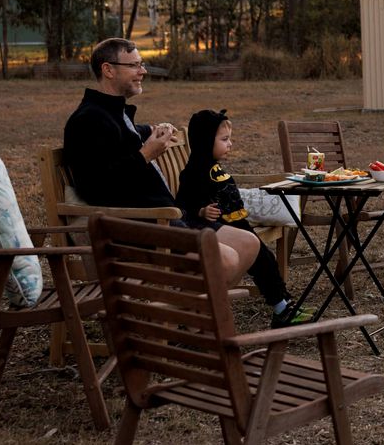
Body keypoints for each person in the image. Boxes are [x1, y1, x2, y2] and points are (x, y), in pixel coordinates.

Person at [62, 38, 258, 293]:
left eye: (142, 64)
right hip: (140, 227)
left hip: (168, 217)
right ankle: (194, 318)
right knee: (227, 258)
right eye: (134, 66)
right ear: (108, 70)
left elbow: (128, 135)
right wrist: (146, 154)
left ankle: (193, 316)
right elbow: (96, 188)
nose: (142, 71)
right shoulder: (87, 121)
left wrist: (154, 130)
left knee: (248, 243)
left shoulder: (112, 113)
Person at [178, 108, 311, 327]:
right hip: (216, 229)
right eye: (224, 139)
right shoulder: (194, 172)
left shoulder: (214, 167)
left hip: (236, 224)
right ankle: (281, 309)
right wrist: (201, 210)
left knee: (266, 259)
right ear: (204, 141)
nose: (230, 144)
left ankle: (283, 303)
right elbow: (183, 204)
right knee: (262, 259)